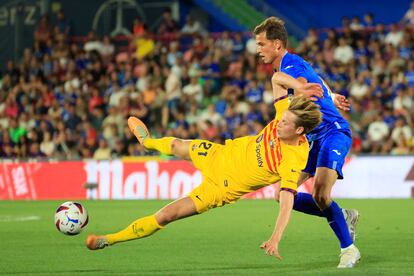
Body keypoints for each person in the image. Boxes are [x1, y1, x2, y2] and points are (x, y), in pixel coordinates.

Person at [86, 79, 323, 261]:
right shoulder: (285, 115)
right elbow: (277, 79)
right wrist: (300, 88)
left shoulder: (294, 158)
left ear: (300, 131)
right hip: (217, 154)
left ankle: (108, 240)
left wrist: (275, 237)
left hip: (219, 189)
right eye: (282, 119)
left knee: (167, 215)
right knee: (178, 145)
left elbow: (286, 201)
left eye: (286, 123)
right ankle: (148, 143)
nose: (279, 122)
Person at [254, 17, 360, 268]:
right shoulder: (292, 64)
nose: (258, 49)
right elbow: (315, 80)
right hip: (311, 139)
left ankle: (349, 249)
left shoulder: (288, 68)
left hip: (333, 132)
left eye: (261, 44)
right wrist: (331, 95)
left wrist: (304, 91)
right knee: (281, 193)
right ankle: (343, 216)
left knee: (321, 194)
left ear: (277, 45)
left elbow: (301, 84)